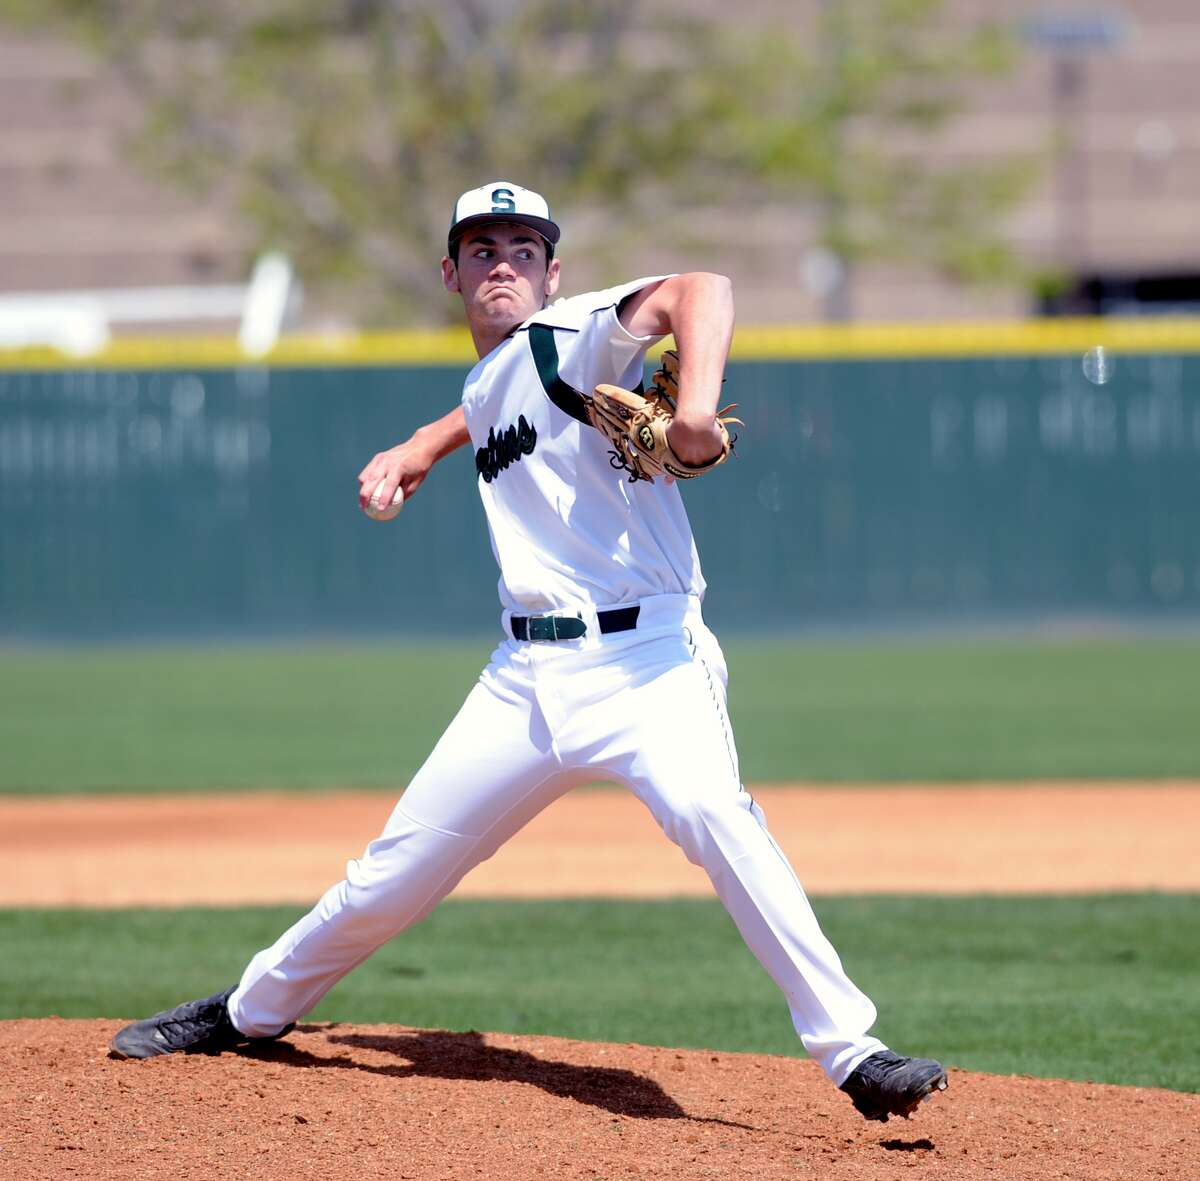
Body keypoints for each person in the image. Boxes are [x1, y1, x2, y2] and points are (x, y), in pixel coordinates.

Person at [111, 181, 947, 1124]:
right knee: (393, 872)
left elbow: (700, 287)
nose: (500, 262)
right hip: (522, 683)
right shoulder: (501, 371)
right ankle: (248, 1010)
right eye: (480, 249)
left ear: (555, 273)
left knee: (716, 814)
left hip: (646, 668)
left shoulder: (577, 331)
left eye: (522, 248)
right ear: (450, 273)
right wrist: (427, 441)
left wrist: (696, 415)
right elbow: (490, 400)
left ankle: (854, 1049)